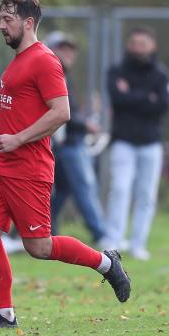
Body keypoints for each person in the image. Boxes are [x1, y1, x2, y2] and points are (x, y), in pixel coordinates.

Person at [0, 0, 130, 329]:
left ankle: (107, 264)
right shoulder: (18, 60)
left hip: (29, 166)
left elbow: (61, 112)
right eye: (0, 19)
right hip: (1, 162)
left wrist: (19, 138)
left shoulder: (44, 60)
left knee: (38, 246)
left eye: (7, 20)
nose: (0, 26)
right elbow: (19, 110)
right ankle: (4, 315)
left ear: (28, 22)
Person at [104, 27, 169, 260]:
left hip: (151, 143)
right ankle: (114, 239)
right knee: (120, 189)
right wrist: (146, 97)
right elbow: (117, 99)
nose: (138, 47)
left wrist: (133, 95)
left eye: (143, 43)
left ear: (152, 45)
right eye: (134, 43)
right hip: (123, 140)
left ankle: (138, 243)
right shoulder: (117, 71)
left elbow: (162, 106)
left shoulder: (162, 75)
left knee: (146, 194)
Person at [44, 32, 108, 245]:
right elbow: (62, 112)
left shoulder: (64, 74)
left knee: (62, 190)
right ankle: (101, 234)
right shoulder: (53, 73)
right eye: (63, 48)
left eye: (71, 49)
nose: (69, 53)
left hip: (63, 143)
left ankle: (44, 230)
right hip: (68, 143)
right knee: (84, 188)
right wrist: (84, 123)